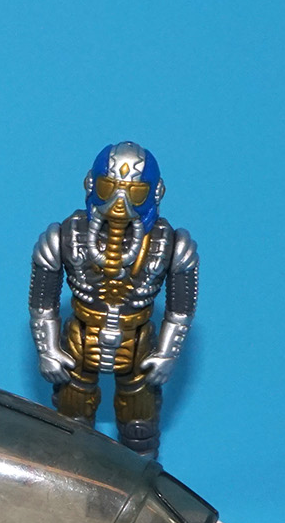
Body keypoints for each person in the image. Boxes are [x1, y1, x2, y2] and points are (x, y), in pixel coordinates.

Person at [28, 142, 198, 459]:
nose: (120, 205)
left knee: (139, 429)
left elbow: (181, 309)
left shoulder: (173, 245)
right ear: (91, 184)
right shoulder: (63, 237)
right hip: (80, 339)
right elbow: (42, 303)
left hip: (138, 342)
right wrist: (48, 350)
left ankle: (140, 483)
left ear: (155, 192)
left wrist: (167, 354)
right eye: (109, 188)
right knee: (71, 427)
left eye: (134, 193)